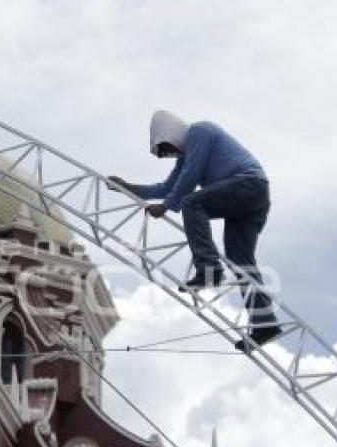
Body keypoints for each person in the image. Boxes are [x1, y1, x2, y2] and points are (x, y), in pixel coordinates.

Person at [109, 110, 281, 350]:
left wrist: (168, 206)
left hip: (246, 184)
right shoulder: (187, 153)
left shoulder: (199, 132)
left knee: (191, 202)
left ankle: (208, 268)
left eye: (168, 149)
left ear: (170, 133)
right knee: (240, 259)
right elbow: (168, 186)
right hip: (251, 196)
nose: (172, 154)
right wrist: (129, 188)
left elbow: (190, 176)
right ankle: (265, 322)